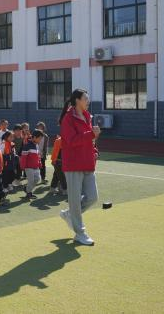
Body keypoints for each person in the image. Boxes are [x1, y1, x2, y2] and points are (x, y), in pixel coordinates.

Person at [58, 89, 100, 246]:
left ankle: (69, 214)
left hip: (88, 162)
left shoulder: (87, 116)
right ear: (77, 100)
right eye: (85, 98)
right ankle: (80, 233)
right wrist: (91, 134)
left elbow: (89, 140)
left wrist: (94, 150)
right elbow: (72, 141)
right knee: (75, 200)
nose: (88, 101)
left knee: (93, 197)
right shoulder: (68, 119)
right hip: (74, 164)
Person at [21, 130, 44, 201]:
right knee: (31, 180)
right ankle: (29, 193)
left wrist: (39, 163)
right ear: (34, 137)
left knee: (37, 179)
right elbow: (23, 157)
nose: (40, 140)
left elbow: (38, 156)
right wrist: (23, 166)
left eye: (41, 138)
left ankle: (27, 189)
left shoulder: (36, 145)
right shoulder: (27, 145)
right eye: (39, 138)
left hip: (36, 166)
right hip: (28, 167)